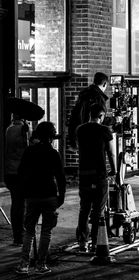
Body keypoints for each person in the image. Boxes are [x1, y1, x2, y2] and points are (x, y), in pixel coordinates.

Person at [15, 122, 66, 275]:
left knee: (29, 231)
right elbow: (61, 178)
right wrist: (61, 196)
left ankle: (24, 264)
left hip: (32, 195)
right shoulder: (54, 153)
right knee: (46, 231)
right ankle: (40, 265)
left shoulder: (29, 151)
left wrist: (23, 193)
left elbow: (21, 174)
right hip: (49, 195)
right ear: (51, 137)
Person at [76, 103, 116, 252]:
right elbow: (112, 153)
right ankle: (95, 242)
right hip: (99, 175)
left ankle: (82, 242)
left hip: (84, 174)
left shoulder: (80, 129)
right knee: (99, 210)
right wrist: (114, 170)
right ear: (101, 116)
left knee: (84, 208)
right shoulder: (105, 130)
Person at [4, 114, 30, 246]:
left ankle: (17, 235)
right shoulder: (23, 129)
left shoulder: (8, 129)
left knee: (16, 204)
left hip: (9, 171)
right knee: (22, 205)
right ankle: (21, 235)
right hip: (21, 172)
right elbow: (26, 148)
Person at [68, 72, 109, 149]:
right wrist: (113, 120)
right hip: (92, 135)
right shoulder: (98, 97)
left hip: (80, 133)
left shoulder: (83, 94)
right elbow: (99, 119)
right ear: (104, 84)